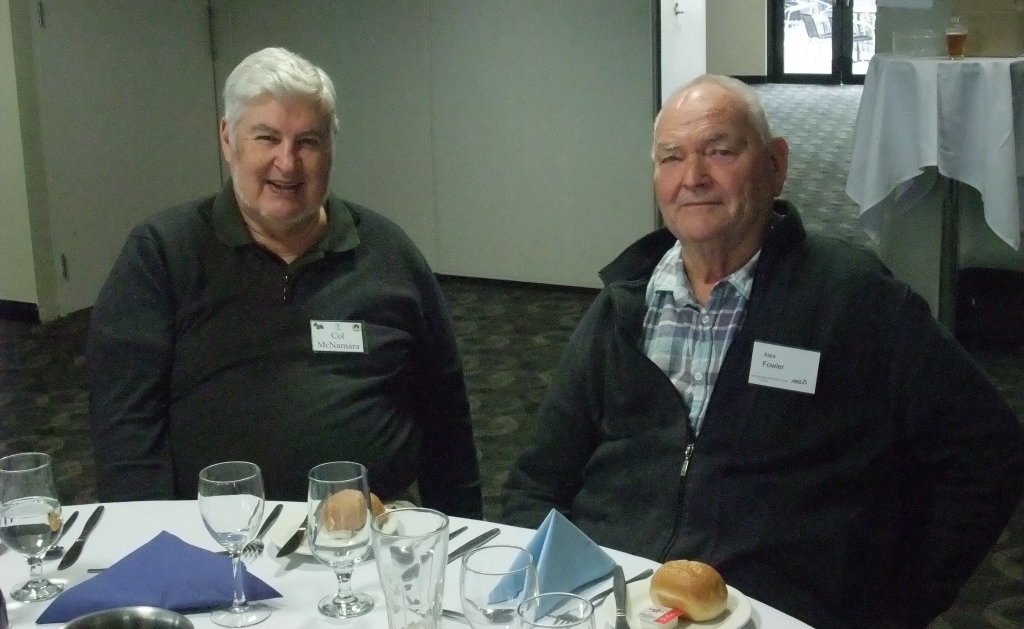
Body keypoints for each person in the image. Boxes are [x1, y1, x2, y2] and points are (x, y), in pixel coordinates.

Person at [501, 74, 1024, 629]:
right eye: (672, 158)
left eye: (719, 151)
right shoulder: (622, 308)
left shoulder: (852, 299)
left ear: (775, 164)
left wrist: (897, 604)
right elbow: (538, 480)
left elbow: (986, 451)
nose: (693, 178)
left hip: (778, 609)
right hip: (613, 601)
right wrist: (550, 597)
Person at [87, 46, 482, 517]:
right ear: (227, 139)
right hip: (218, 534)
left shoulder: (388, 253)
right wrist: (156, 542)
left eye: (308, 141)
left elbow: (446, 414)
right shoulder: (162, 254)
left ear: (331, 147)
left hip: (369, 527)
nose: (288, 163)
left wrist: (459, 532)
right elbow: (126, 428)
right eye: (267, 138)